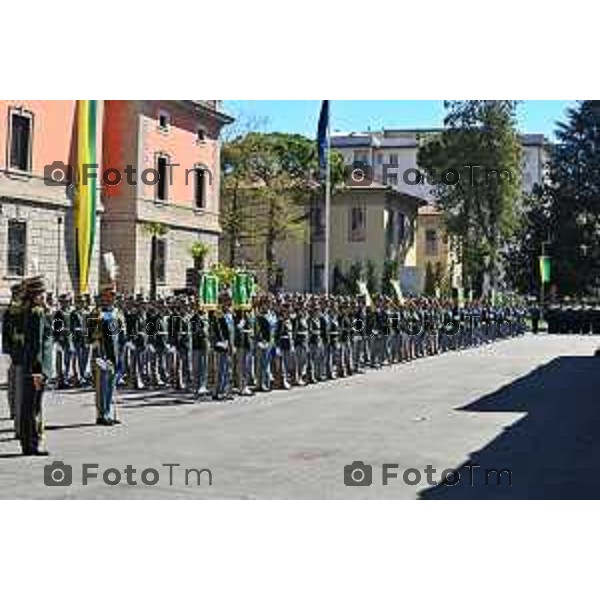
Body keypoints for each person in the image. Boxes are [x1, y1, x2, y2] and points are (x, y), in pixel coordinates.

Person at [19, 276, 53, 456]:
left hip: (30, 367)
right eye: (43, 293)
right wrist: (37, 371)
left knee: (28, 406)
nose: (45, 295)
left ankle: (28, 443)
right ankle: (33, 443)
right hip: (36, 368)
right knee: (34, 407)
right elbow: (36, 344)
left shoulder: (30, 311)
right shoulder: (37, 313)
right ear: (36, 295)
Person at [93, 285, 122, 426]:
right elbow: (92, 336)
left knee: (111, 385)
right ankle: (101, 414)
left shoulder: (116, 313)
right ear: (104, 297)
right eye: (111, 295)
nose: (113, 298)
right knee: (102, 385)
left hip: (114, 353)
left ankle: (109, 412)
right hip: (103, 353)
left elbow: (119, 334)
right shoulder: (98, 313)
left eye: (114, 296)